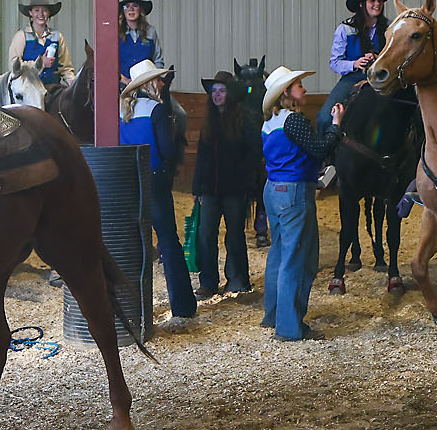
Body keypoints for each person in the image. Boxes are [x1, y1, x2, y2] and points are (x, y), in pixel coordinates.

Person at [259, 66, 344, 342]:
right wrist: (336, 126)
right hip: (294, 192)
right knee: (297, 258)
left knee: (279, 253)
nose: (303, 89)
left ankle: (272, 315)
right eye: (298, 85)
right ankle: (290, 327)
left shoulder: (269, 122)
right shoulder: (293, 120)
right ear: (286, 92)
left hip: (273, 189)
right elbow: (321, 148)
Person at [119, 59, 196, 327]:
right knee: (168, 243)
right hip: (154, 179)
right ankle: (183, 305)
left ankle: (134, 307)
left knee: (134, 247)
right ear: (150, 83)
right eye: (158, 79)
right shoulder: (157, 110)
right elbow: (167, 150)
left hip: (128, 183)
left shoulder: (122, 111)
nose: (162, 83)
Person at [191, 71, 256, 299]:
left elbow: (253, 153)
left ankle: (237, 279)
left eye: (222, 90)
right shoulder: (208, 122)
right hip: (209, 189)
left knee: (235, 235)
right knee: (206, 234)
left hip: (235, 189)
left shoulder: (244, 120)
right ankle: (208, 281)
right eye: (214, 91)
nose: (217, 95)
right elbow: (201, 156)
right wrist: (196, 188)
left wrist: (244, 179)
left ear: (230, 94)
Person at [317, 0, 393, 137]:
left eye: (379, 0)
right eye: (372, 1)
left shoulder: (390, 27)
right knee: (324, 118)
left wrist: (378, 58)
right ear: (362, 4)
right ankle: (325, 156)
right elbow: (335, 62)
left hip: (382, 79)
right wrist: (355, 63)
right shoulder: (345, 29)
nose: (377, 4)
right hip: (352, 78)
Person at [7, 0, 75, 87]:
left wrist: (72, 84)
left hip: (53, 89)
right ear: (31, 13)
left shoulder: (57, 36)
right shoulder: (21, 36)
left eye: (44, 10)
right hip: (29, 90)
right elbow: (13, 65)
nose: (41, 14)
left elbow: (65, 67)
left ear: (49, 13)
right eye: (37, 10)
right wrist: (40, 64)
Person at [116, 0, 163, 87]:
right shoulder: (116, 33)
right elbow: (109, 62)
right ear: (123, 11)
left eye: (135, 6)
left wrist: (152, 79)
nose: (131, 9)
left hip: (147, 85)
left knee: (169, 102)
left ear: (140, 9)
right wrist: (123, 79)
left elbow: (158, 60)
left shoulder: (151, 32)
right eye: (127, 6)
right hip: (122, 85)